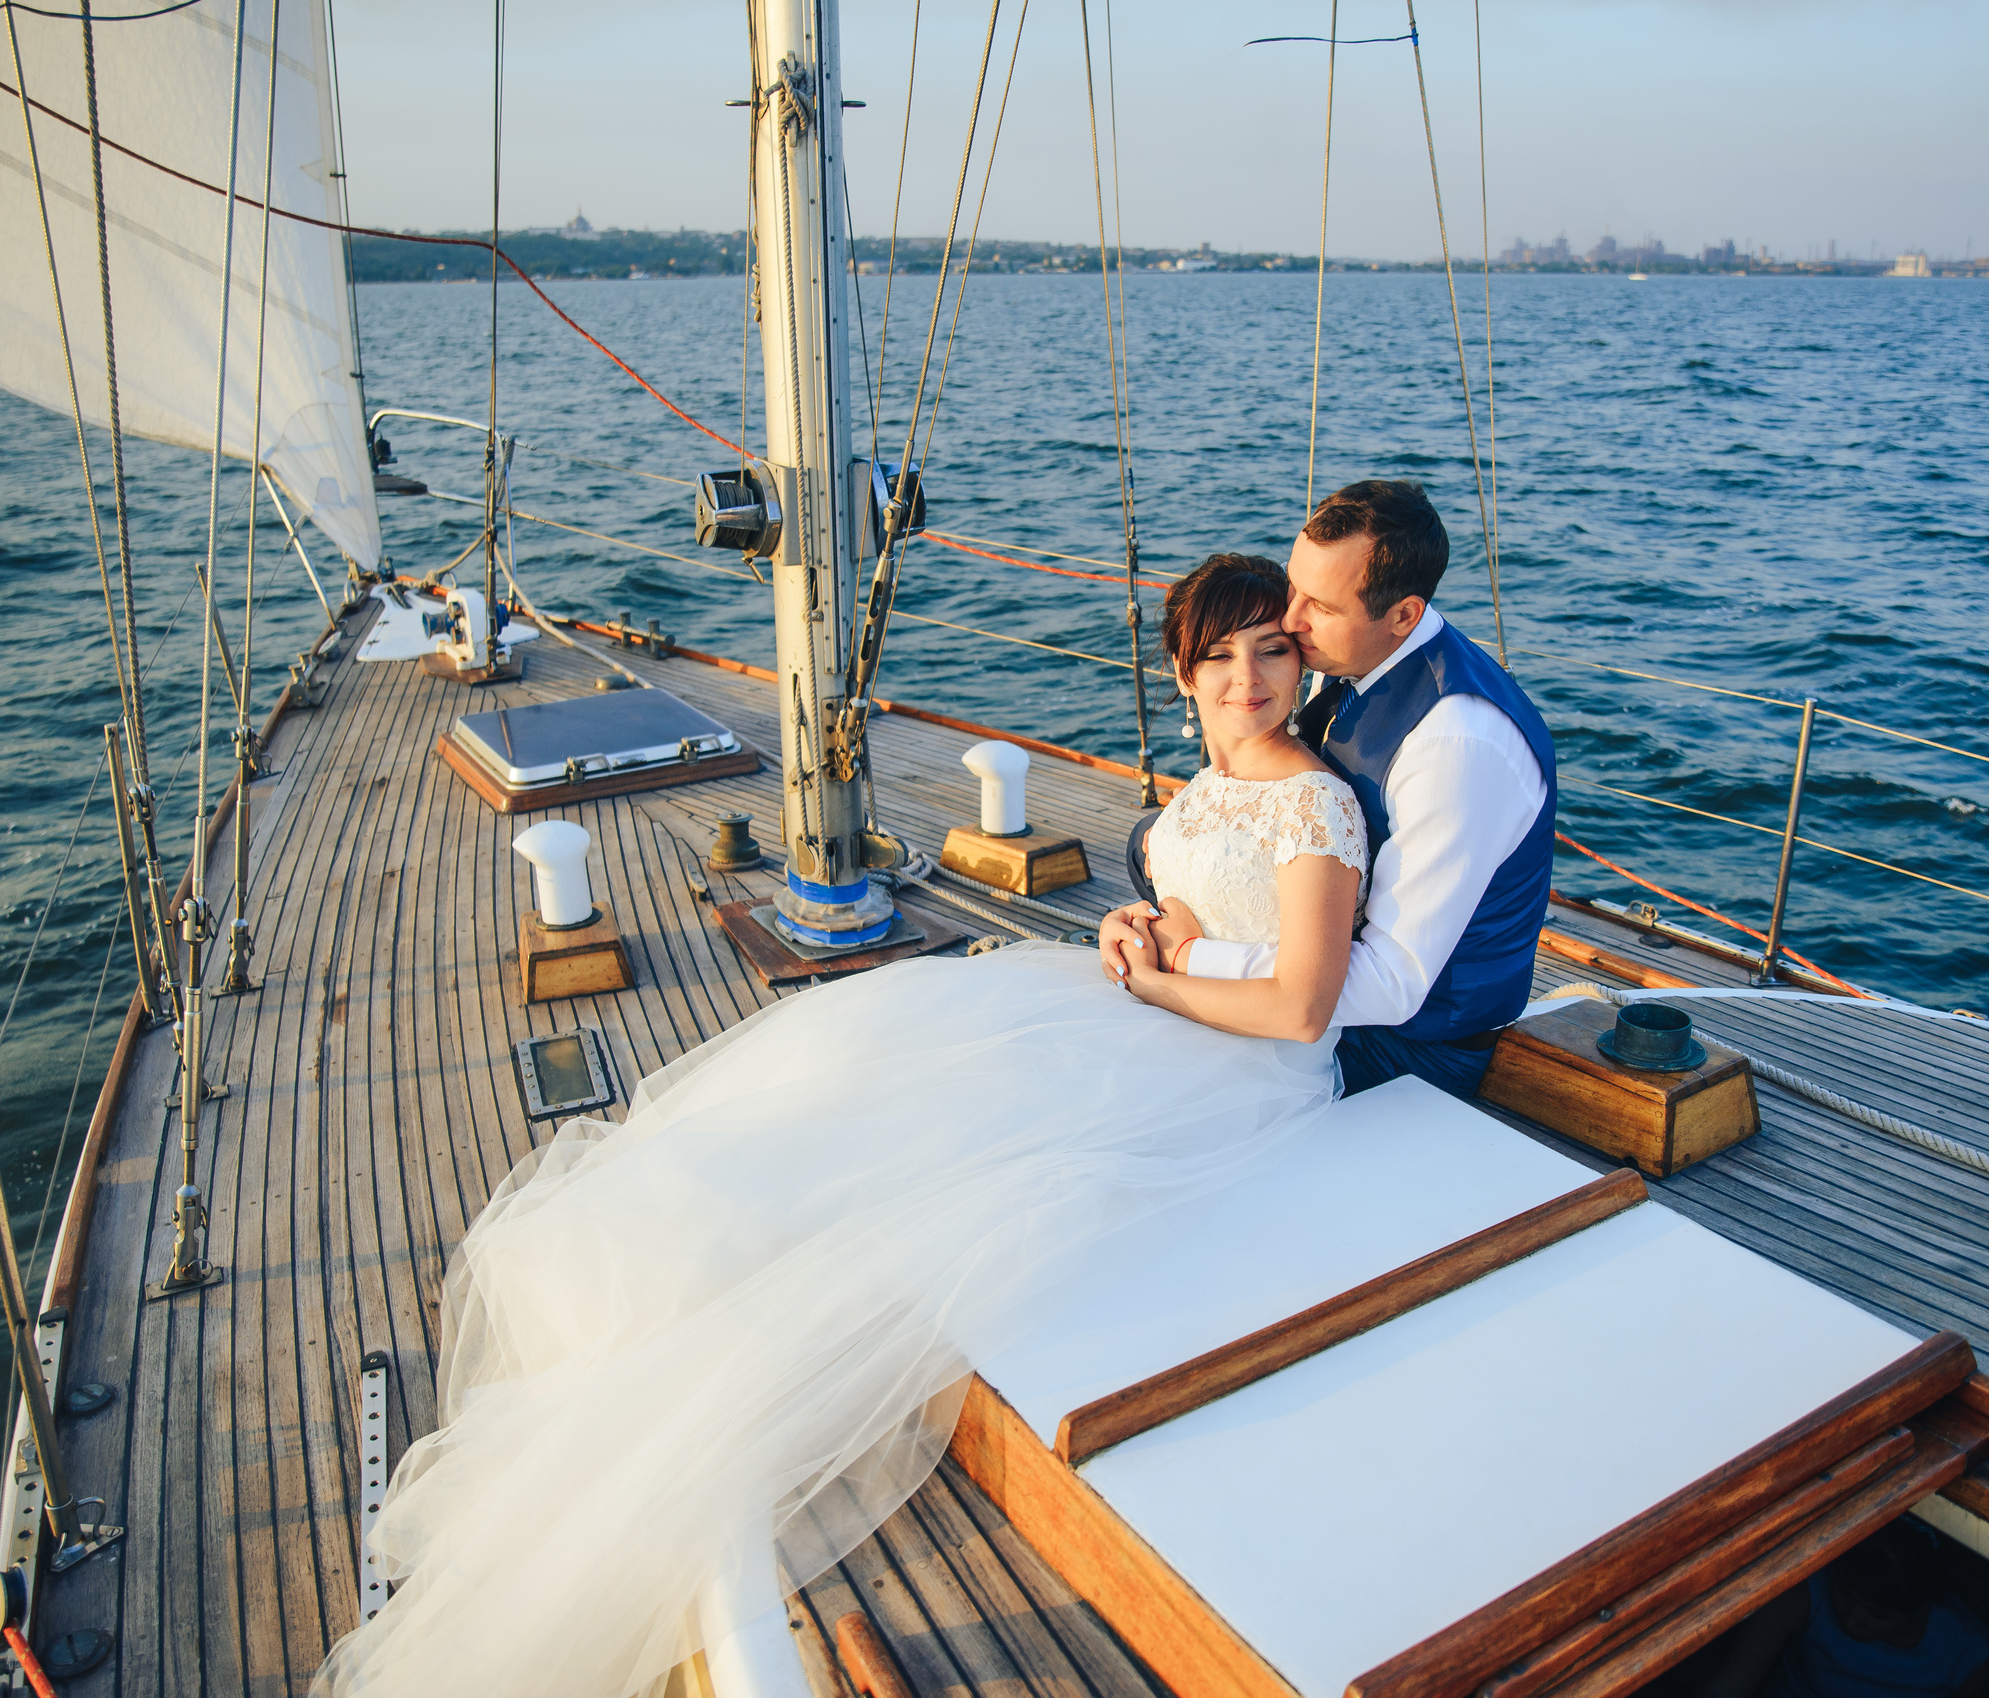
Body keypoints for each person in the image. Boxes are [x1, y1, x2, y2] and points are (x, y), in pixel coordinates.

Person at [312, 554, 1367, 1698]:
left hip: (1236, 1067)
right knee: (874, 1064)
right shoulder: (1213, 782)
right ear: (1181, 671)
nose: (1246, 676)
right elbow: (1195, 908)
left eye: (1270, 648)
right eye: (1218, 655)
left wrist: (1155, 983)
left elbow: (1301, 1004)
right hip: (1151, 1003)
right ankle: (706, 1256)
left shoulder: (1316, 801)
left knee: (958, 1156)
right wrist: (1134, 923)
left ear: (1301, 657)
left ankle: (731, 1324)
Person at [1117, 479, 1556, 1098]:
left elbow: (1391, 984)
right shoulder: (1353, 656)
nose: (1290, 620)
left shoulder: (1457, 744)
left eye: (1318, 605)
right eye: (1295, 587)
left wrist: (1184, 956)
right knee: (1150, 845)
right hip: (1318, 959)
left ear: (1404, 614)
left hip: (1404, 1044)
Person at [1696, 1522, 1989, 1698]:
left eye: (1877, 1614)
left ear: (1922, 1609)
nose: (1852, 1619)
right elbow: (1725, 1689)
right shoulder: (1803, 1595)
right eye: (1844, 1596)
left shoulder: (1970, 1652)